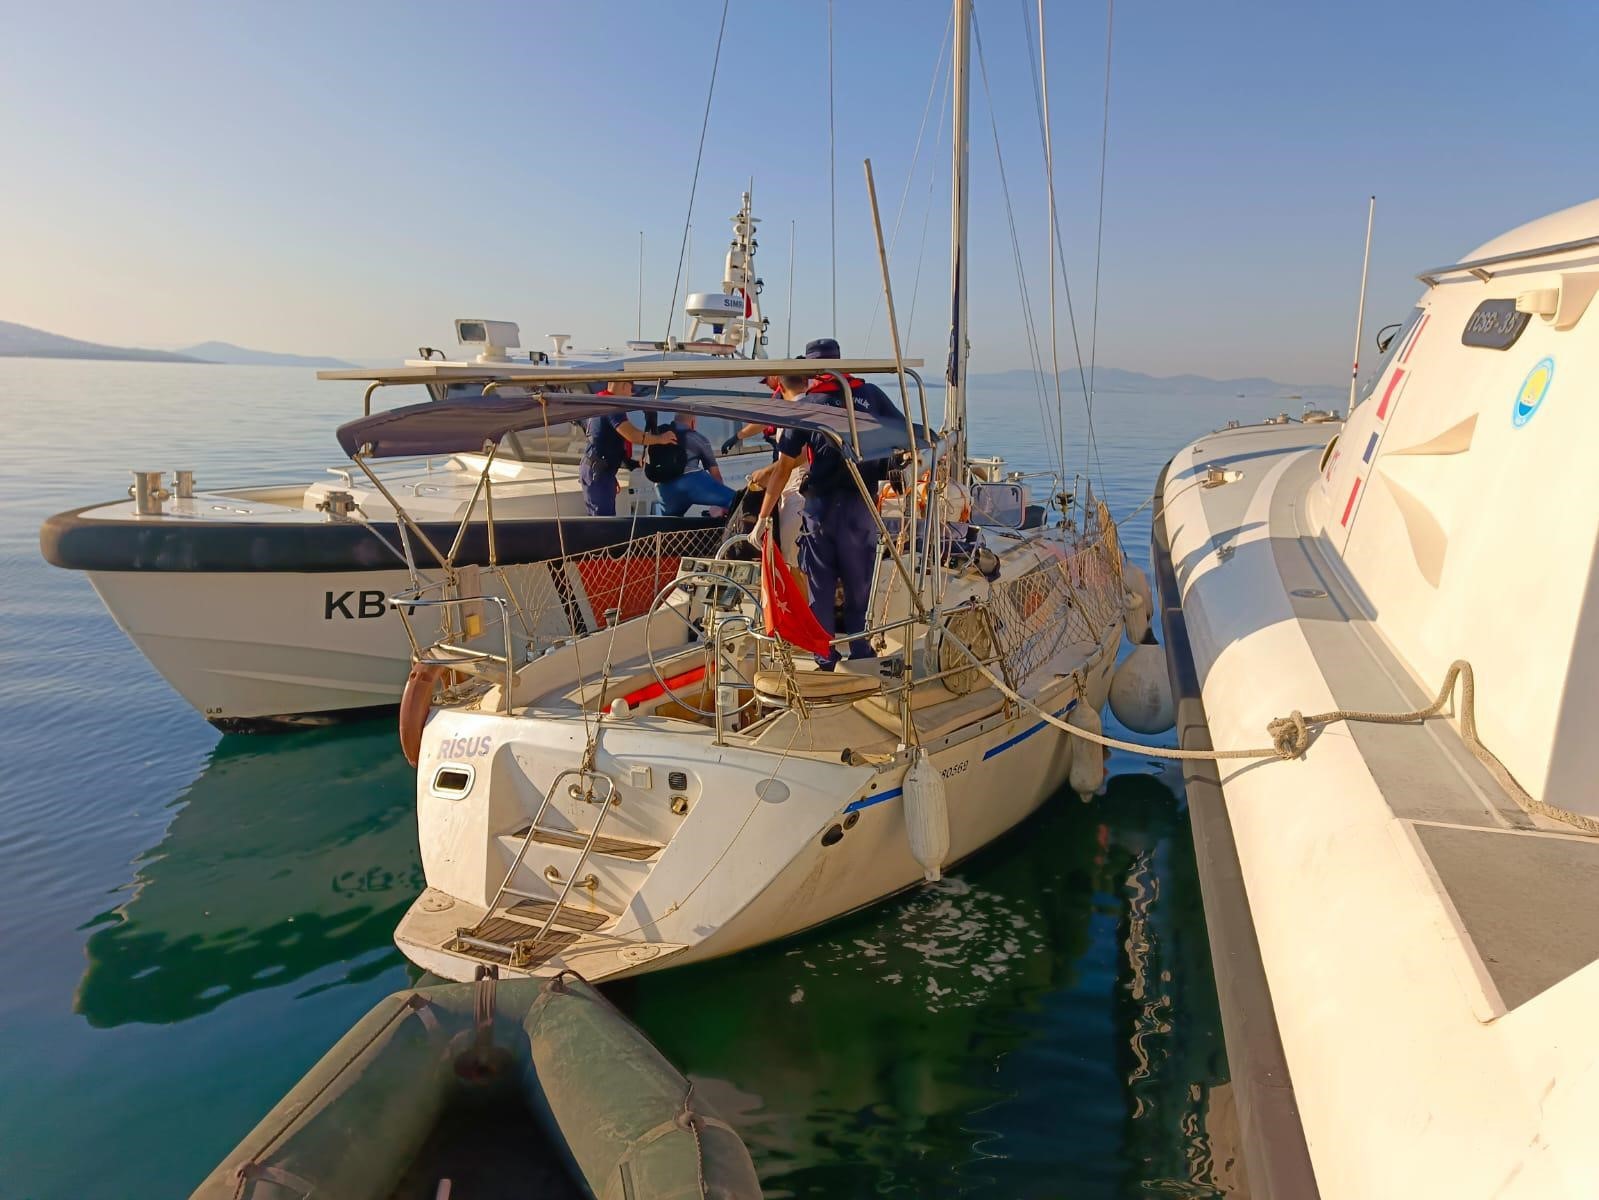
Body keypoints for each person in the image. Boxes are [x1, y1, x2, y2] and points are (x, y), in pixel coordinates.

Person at [751, 371, 880, 668]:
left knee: (819, 585)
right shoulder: (870, 396)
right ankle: (860, 650)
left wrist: (761, 517)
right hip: (858, 506)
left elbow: (784, 467)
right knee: (857, 582)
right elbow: (903, 436)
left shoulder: (807, 406)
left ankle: (823, 654)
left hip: (819, 508)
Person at [580, 380, 676, 517]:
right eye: (631, 389)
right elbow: (631, 435)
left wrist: (612, 475)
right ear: (625, 385)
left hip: (600, 470)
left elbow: (604, 440)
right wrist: (661, 439)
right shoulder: (612, 406)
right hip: (598, 472)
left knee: (602, 516)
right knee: (602, 520)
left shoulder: (601, 402)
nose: (631, 395)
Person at [650, 412, 737, 516]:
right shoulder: (697, 438)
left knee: (669, 522)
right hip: (692, 482)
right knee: (736, 501)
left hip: (664, 488)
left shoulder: (659, 435)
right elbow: (715, 474)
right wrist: (719, 504)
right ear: (693, 422)